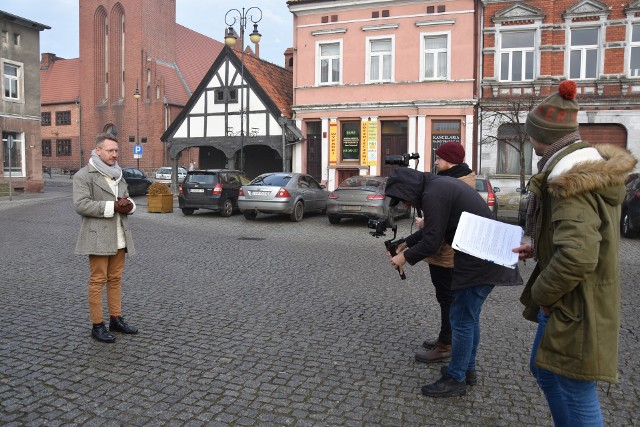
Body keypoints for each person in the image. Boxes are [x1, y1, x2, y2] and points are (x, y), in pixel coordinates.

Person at [513, 80, 637, 425]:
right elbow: (578, 236)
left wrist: (542, 295)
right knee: (546, 372)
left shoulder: (568, 179)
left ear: (542, 136)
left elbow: (578, 256)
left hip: (574, 304)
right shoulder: (574, 169)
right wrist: (539, 247)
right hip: (571, 301)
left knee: (574, 387)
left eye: (530, 134)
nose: (529, 140)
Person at [385, 167, 522, 397]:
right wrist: (405, 243)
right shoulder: (437, 186)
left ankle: (456, 378)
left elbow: (432, 241)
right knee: (469, 318)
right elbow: (436, 227)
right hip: (482, 255)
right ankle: (467, 370)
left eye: (404, 200)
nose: (406, 205)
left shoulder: (433, 193)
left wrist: (403, 258)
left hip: (480, 260)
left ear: (407, 189)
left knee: (461, 320)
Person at [413, 141, 476, 364]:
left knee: (449, 299)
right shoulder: (457, 180)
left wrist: (424, 224)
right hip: (444, 252)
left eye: (439, 158)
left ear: (449, 161)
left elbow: (444, 220)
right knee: (445, 298)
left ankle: (446, 345)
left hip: (448, 254)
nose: (436, 162)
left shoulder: (455, 184)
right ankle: (445, 337)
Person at [73, 133, 139, 343]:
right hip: (98, 237)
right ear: (98, 150)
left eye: (116, 150)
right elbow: (81, 205)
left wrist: (130, 206)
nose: (114, 154)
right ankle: (97, 325)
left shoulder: (118, 174)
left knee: (116, 280)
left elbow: (126, 198)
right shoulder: (84, 175)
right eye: (110, 150)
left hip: (120, 235)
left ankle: (115, 319)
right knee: (97, 281)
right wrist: (113, 206)